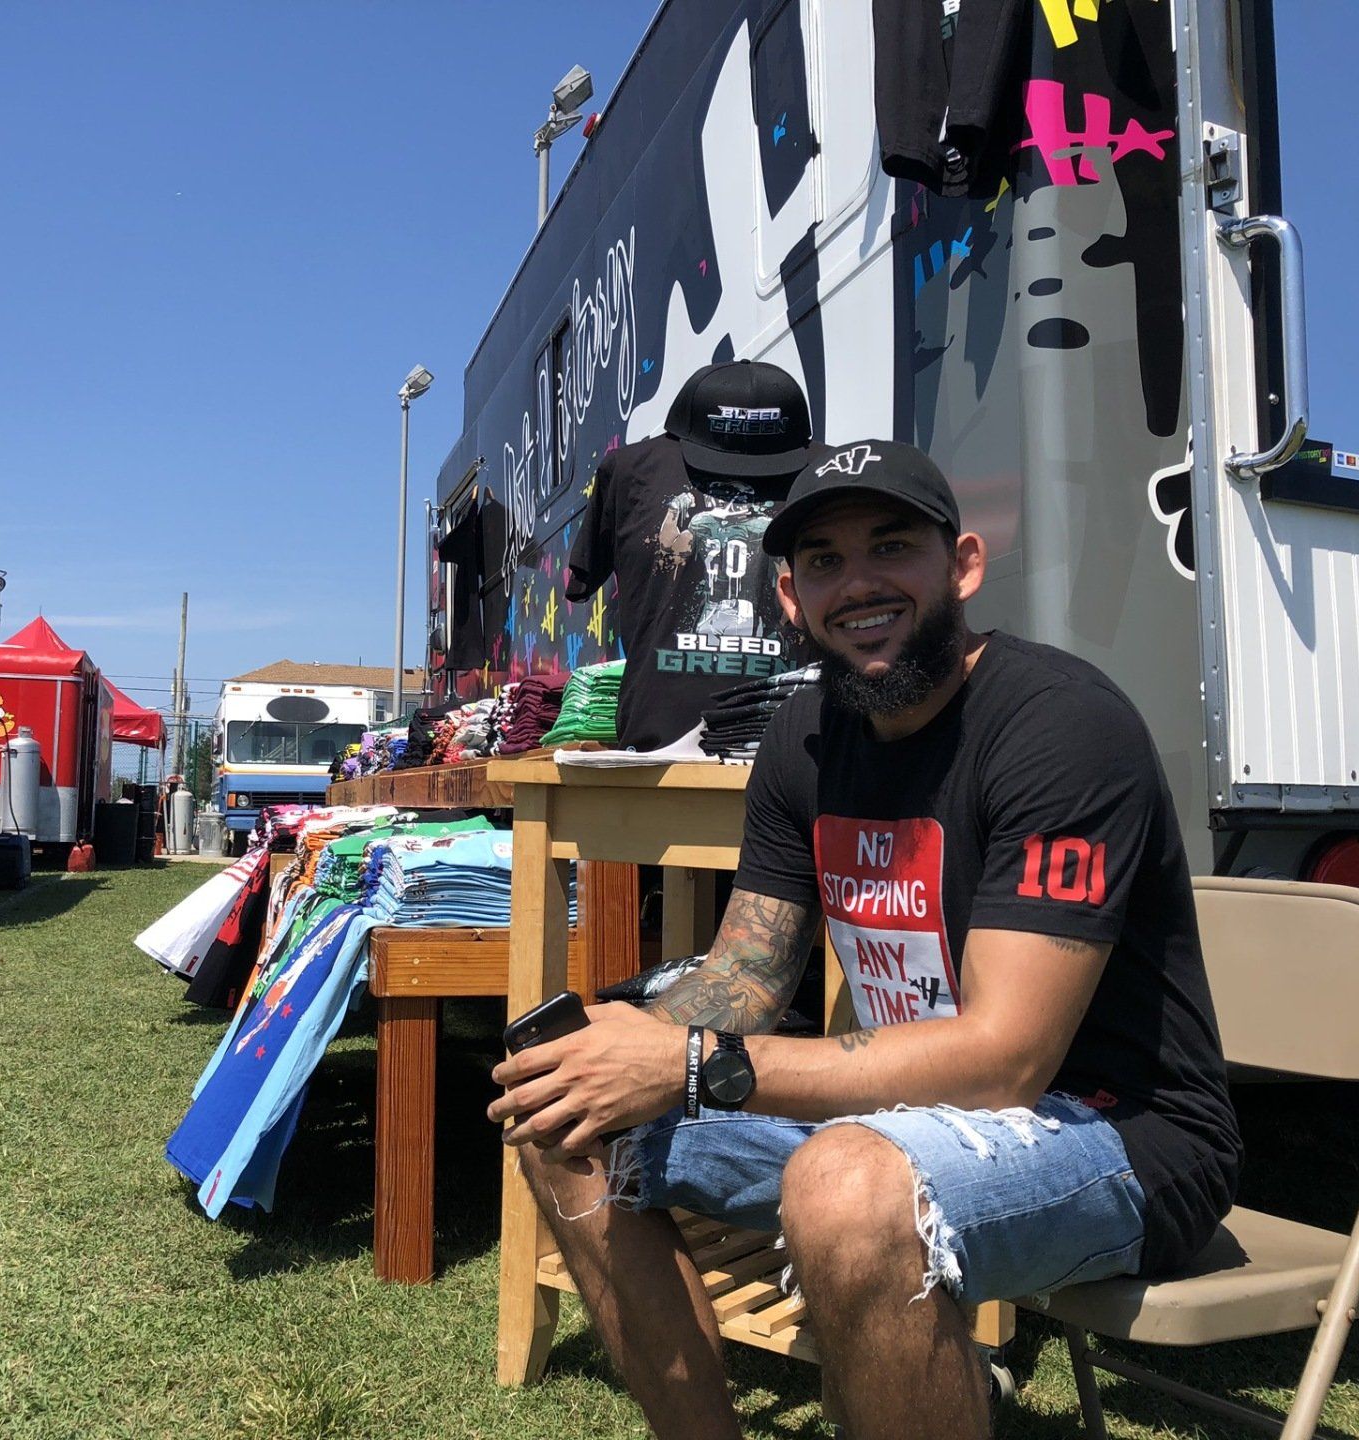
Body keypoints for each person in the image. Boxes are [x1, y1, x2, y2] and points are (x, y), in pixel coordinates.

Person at [490, 440, 1241, 1440]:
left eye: (893, 547)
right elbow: (747, 978)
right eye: (827, 562)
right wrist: (620, 1048)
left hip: (1120, 1135)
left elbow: (1005, 1061)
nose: (861, 584)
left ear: (962, 566)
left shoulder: (1058, 727)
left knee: (845, 1188)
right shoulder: (803, 740)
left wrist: (689, 1064)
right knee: (563, 1112)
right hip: (894, 1118)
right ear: (791, 599)